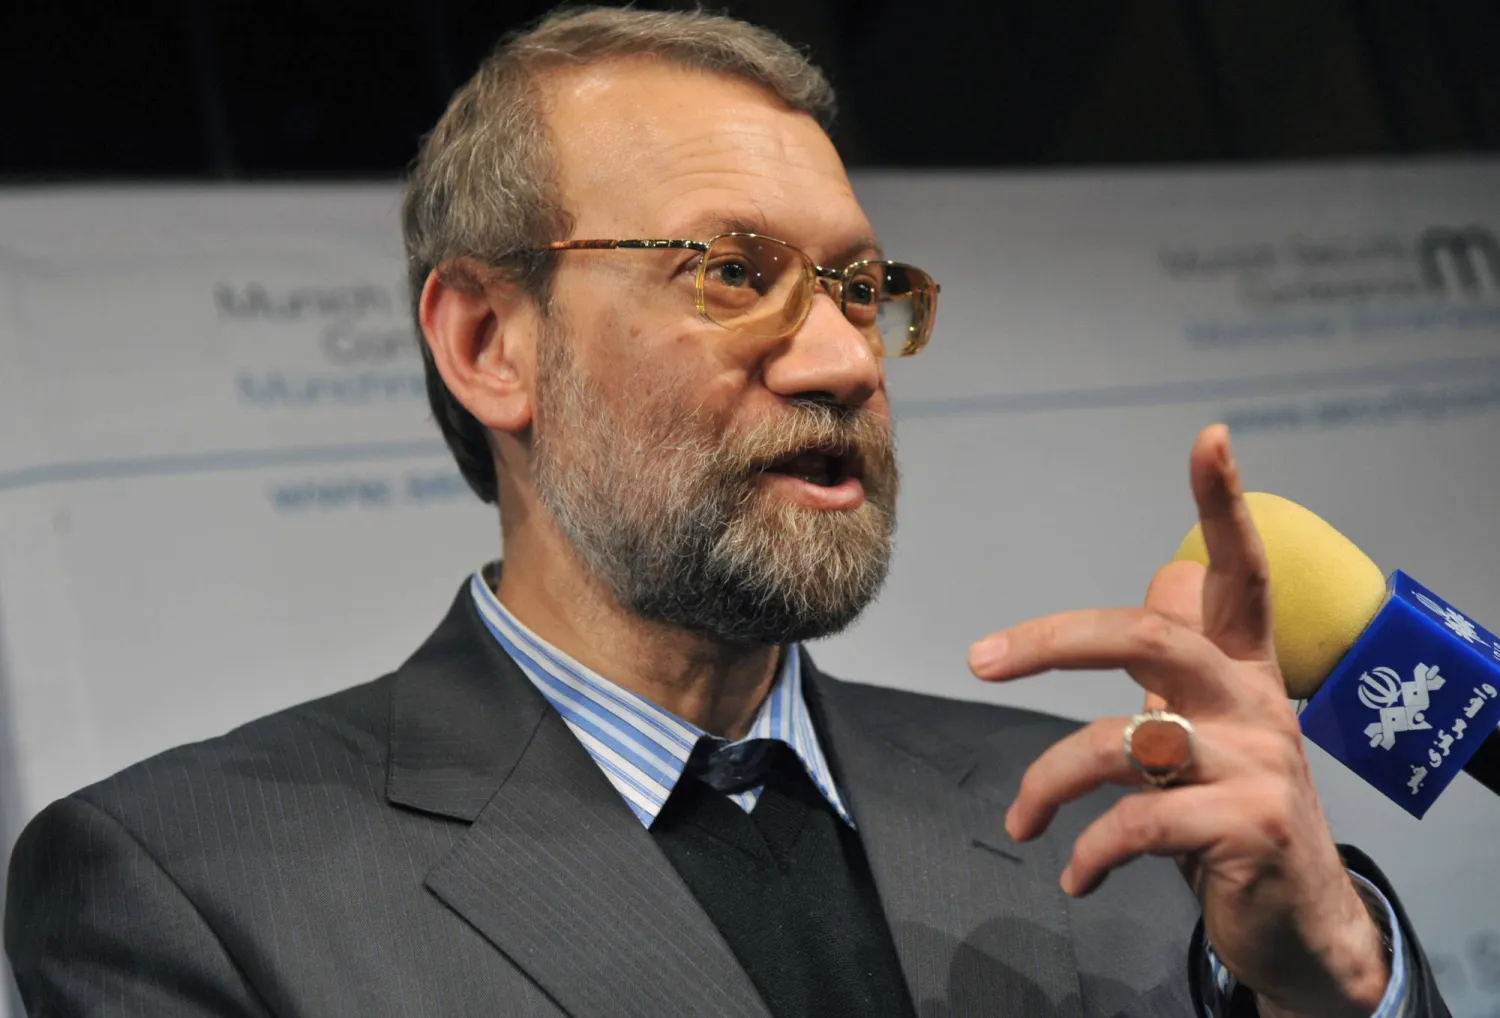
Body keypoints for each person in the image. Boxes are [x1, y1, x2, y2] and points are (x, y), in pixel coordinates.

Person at [4, 7, 1449, 1017]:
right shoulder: (193, 884)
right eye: (731, 274)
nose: (841, 361)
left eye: (861, 290)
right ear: (490, 343)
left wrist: (1333, 984)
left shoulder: (1125, 828)